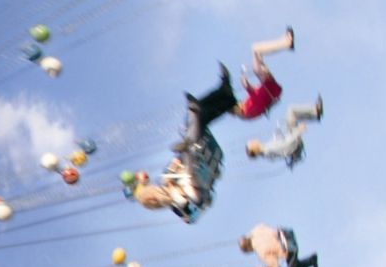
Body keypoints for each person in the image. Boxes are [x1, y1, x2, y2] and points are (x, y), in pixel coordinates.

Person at [132, 71, 234, 222]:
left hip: (205, 159)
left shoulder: (166, 181)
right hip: (199, 167)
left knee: (199, 120)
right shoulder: (177, 203)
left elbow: (176, 164)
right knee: (193, 124)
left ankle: (225, 96)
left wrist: (142, 181)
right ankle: (220, 100)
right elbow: (193, 207)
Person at [232, 29, 294, 121]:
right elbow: (259, 100)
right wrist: (248, 86)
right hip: (269, 89)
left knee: (257, 51)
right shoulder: (248, 112)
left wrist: (247, 86)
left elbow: (254, 95)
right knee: (255, 50)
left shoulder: (246, 108)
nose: (239, 102)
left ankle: (285, 41)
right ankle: (287, 43)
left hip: (269, 88)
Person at [246, 96, 324, 169]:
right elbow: (286, 146)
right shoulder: (267, 150)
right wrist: (298, 131)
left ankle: (316, 113)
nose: (253, 140)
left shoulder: (265, 149)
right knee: (291, 110)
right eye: (252, 143)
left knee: (291, 112)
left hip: (292, 138)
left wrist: (282, 127)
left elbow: (279, 140)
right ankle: (316, 111)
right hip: (295, 143)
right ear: (254, 149)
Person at [239, 224, 318, 267]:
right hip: (287, 233)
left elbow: (275, 266)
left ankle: (311, 261)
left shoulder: (261, 252)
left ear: (249, 249)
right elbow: (263, 226)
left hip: (289, 248)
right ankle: (307, 263)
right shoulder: (256, 230)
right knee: (292, 262)